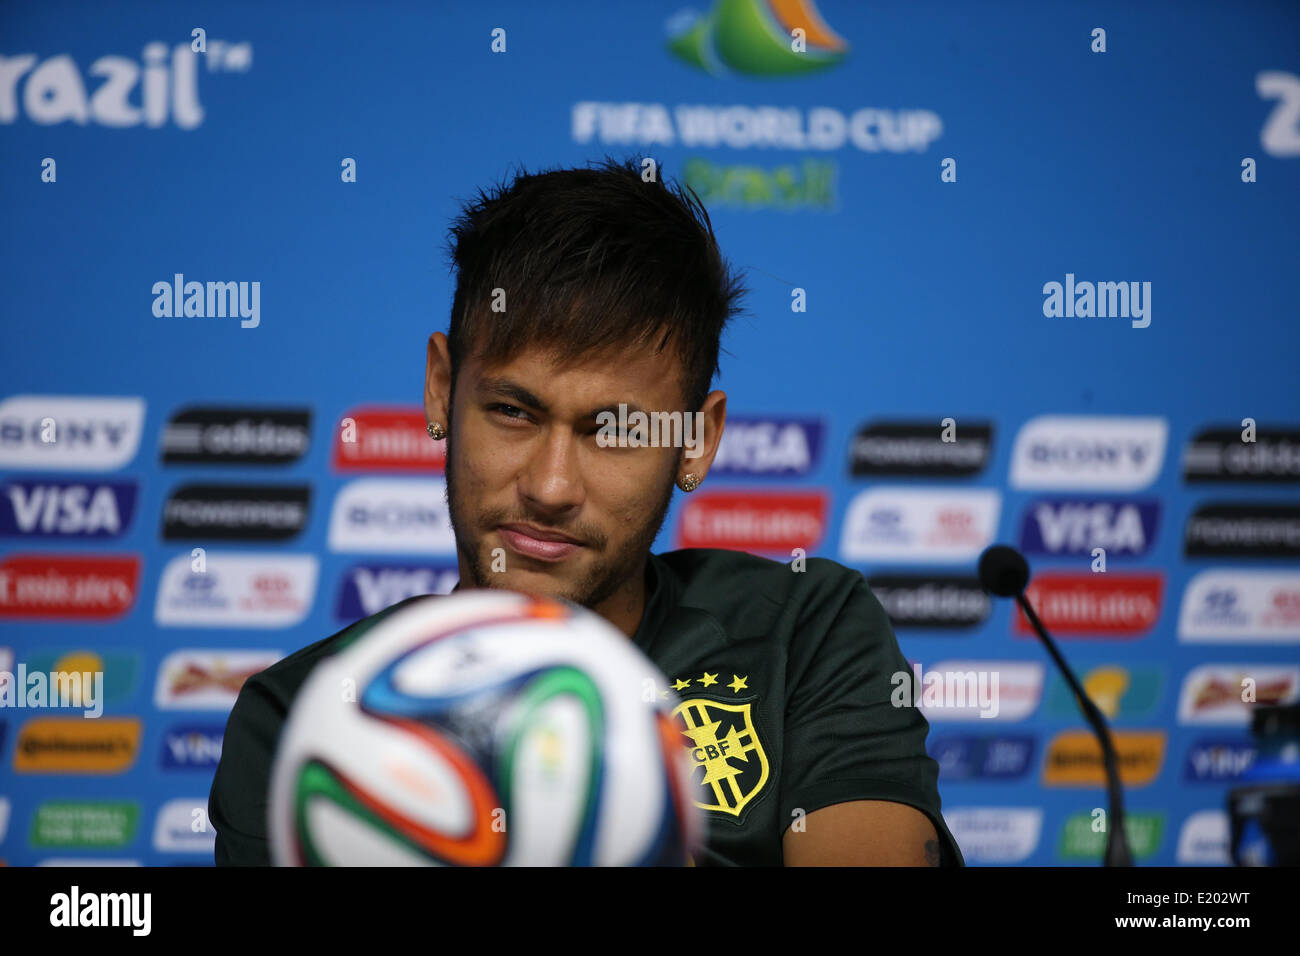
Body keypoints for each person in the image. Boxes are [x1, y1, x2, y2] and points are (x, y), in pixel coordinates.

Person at [208, 156, 964, 867]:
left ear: (695, 442)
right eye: (512, 411)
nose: (551, 486)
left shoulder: (804, 630)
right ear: (441, 389)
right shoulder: (306, 716)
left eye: (617, 431)